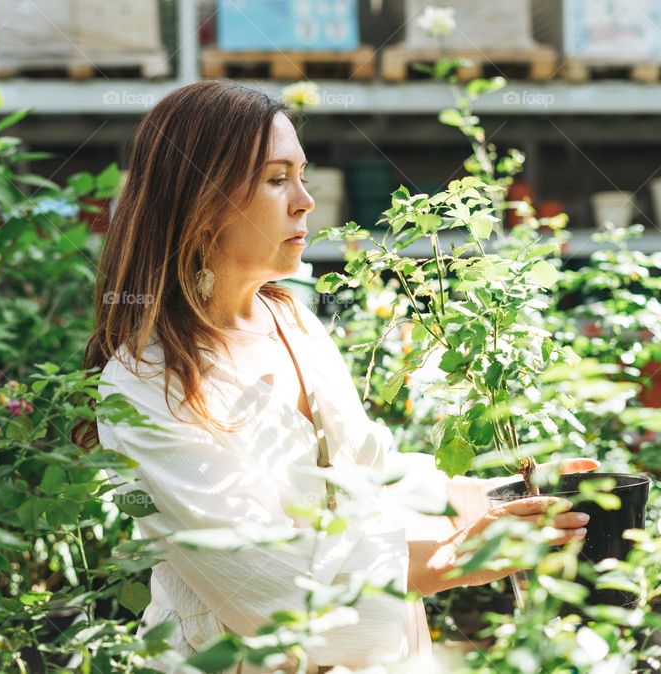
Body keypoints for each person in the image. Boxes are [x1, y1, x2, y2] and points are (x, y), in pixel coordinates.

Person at [77, 80, 596, 673]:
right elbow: (271, 587)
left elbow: (369, 471)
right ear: (200, 198)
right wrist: (464, 552)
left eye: (301, 175)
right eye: (277, 179)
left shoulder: (288, 319)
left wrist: (503, 497)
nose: (305, 201)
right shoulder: (148, 382)